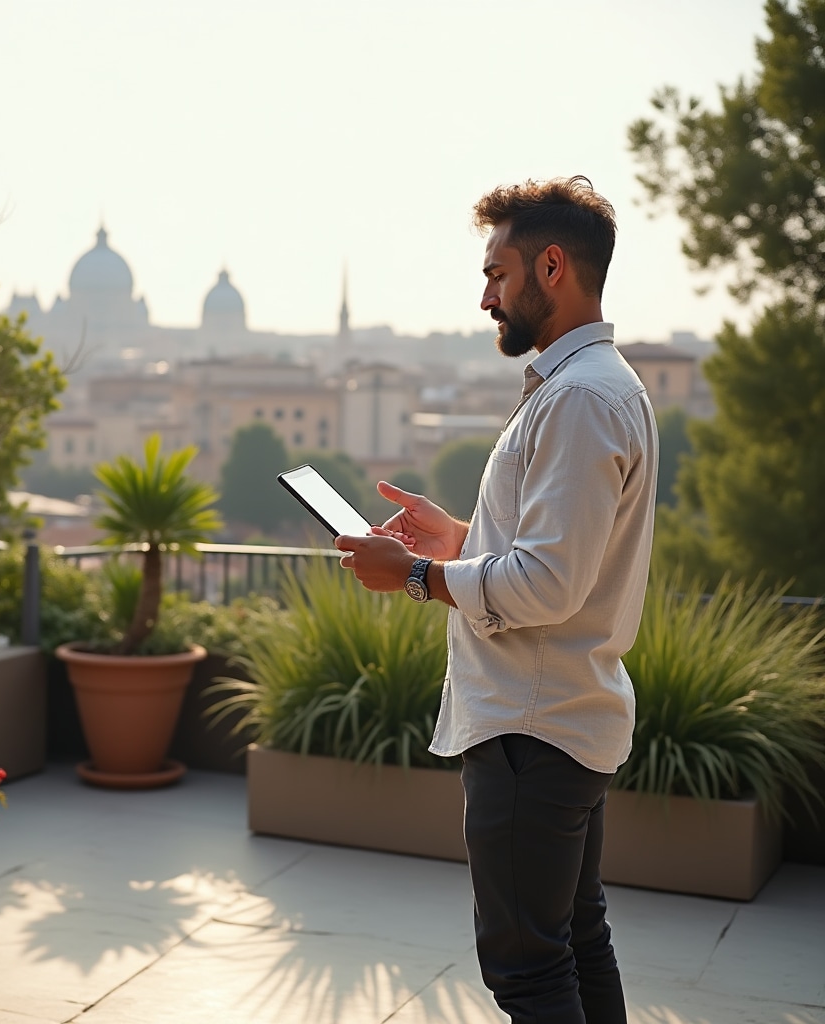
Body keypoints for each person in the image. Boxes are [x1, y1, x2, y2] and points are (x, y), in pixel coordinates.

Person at [335, 175, 658, 1024]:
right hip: (559, 721)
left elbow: (547, 585)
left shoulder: (582, 397)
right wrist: (457, 540)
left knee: (528, 971)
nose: (485, 297)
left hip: (531, 732)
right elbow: (552, 552)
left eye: (498, 273)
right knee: (575, 942)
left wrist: (410, 574)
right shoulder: (588, 384)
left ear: (552, 266)